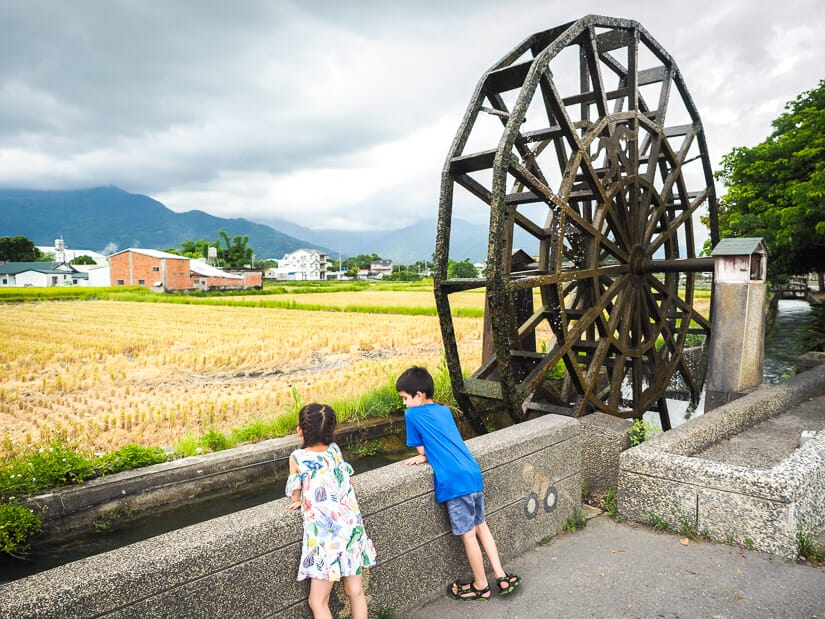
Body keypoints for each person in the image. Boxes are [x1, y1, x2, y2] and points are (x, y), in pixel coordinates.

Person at [396, 366, 521, 601]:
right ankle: (501, 575)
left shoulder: (411, 415)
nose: (404, 404)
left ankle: (481, 585)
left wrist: (424, 455)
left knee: (468, 535)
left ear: (419, 395)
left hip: (453, 481)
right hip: (472, 473)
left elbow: (422, 448)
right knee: (482, 526)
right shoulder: (444, 411)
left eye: (405, 398)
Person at [286, 403, 376, 619]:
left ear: (300, 430)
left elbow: (295, 492)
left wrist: (298, 499)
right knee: (355, 591)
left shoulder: (297, 457)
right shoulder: (335, 451)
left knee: (317, 601)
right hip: (350, 529)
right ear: (331, 431)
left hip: (324, 538)